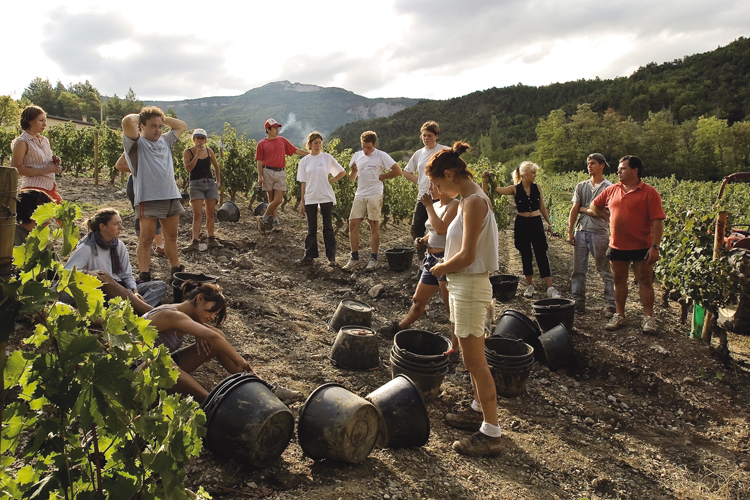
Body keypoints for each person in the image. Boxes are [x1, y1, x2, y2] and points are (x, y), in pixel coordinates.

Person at [428, 142, 502, 457]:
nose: (437, 189)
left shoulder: (473, 203)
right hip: (463, 285)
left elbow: (468, 255)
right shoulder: (468, 200)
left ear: (449, 174)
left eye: (438, 183)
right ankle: (476, 408)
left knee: (474, 361)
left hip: (470, 285)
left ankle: (491, 432)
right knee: (470, 357)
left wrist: (440, 266)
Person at [143, 282, 304, 405]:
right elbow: (212, 336)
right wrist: (240, 361)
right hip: (136, 371)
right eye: (211, 311)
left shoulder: (184, 316)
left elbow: (218, 336)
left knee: (214, 346)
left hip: (156, 366)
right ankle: (212, 405)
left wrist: (199, 328)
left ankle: (264, 389)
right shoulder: (172, 314)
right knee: (166, 365)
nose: (212, 317)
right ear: (199, 299)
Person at [590, 155, 665, 334]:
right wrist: (608, 218)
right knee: (618, 281)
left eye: (622, 168)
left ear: (635, 171)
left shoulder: (649, 192)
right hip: (617, 245)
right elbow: (594, 206)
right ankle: (620, 315)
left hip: (642, 246)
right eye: (619, 168)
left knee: (645, 281)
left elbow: (657, 221)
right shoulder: (612, 189)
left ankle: (648, 318)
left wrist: (655, 246)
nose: (618, 171)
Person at [381, 183, 459, 349]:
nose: (429, 189)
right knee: (418, 300)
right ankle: (400, 327)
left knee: (450, 307)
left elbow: (441, 229)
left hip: (444, 260)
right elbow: (432, 230)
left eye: (433, 186)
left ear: (442, 187)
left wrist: (428, 206)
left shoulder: (455, 205)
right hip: (430, 258)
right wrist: (423, 240)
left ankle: (455, 348)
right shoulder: (437, 205)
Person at [121, 106, 187, 283]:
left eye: (160, 127)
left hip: (171, 195)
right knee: (147, 238)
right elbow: (127, 121)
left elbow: (182, 125)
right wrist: (144, 115)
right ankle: (144, 274)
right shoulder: (135, 143)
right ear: (141, 126)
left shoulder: (165, 140)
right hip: (148, 198)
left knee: (171, 237)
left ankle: (175, 269)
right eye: (152, 126)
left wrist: (161, 119)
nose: (158, 130)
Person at [64, 208, 167, 316]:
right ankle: (138, 313)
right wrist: (91, 274)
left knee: (159, 286)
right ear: (102, 226)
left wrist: (134, 292)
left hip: (121, 288)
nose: (121, 228)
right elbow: (67, 272)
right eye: (116, 224)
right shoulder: (87, 247)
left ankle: (131, 312)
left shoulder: (119, 245)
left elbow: (126, 275)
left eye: (120, 223)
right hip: (101, 291)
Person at [482, 162, 561, 299]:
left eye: (535, 173)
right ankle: (529, 286)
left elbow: (542, 207)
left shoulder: (537, 188)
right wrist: (486, 181)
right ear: (525, 174)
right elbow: (494, 190)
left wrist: (549, 224)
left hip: (536, 223)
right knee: (526, 254)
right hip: (522, 224)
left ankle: (550, 287)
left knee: (541, 253)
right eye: (532, 173)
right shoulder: (514, 189)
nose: (535, 175)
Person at [343, 131, 403, 271]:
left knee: (373, 224)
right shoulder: (357, 156)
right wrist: (353, 172)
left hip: (375, 194)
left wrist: (382, 177)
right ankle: (354, 258)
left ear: (374, 144)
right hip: (360, 193)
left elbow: (398, 171)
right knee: (352, 223)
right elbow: (352, 178)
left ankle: (373, 258)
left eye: (368, 147)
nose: (365, 150)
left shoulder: (381, 155)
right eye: (363, 147)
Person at [567, 153, 615, 317]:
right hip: (581, 230)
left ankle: (610, 304)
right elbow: (575, 208)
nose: (589, 166)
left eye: (593, 163)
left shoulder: (609, 187)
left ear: (602, 165)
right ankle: (578, 302)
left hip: (599, 232)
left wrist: (585, 209)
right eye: (588, 163)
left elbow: (604, 212)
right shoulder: (581, 186)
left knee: (604, 269)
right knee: (578, 270)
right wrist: (570, 230)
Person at [296, 131, 347, 267]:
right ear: (310, 145)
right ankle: (309, 256)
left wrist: (332, 180)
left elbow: (342, 171)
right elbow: (303, 183)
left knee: (328, 227)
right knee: (312, 228)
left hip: (326, 196)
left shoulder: (327, 158)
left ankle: (331, 257)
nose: (318, 145)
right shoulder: (304, 161)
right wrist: (302, 201)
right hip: (310, 197)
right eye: (315, 143)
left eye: (320, 143)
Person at [402, 121, 448, 259]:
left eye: (429, 135)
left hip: (440, 196)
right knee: (416, 229)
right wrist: (420, 181)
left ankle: (442, 258)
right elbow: (407, 172)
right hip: (423, 196)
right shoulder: (418, 154)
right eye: (424, 135)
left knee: (439, 229)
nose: (426, 138)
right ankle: (423, 262)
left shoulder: (444, 151)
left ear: (436, 136)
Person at [256, 118, 308, 233]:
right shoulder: (261, 144)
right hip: (267, 171)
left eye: (277, 127)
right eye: (274, 128)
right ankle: (275, 221)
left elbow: (296, 151)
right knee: (271, 199)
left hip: (280, 172)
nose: (277, 130)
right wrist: (260, 176)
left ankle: (263, 219)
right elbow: (259, 161)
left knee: (278, 200)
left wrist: (311, 155)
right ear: (268, 129)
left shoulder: (282, 141)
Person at [116, 153, 165, 258]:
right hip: (137, 185)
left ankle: (160, 246)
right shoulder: (134, 147)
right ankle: (146, 246)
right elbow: (119, 165)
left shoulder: (155, 147)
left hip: (152, 185)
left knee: (154, 214)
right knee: (140, 214)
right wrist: (139, 172)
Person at [11, 105, 63, 203]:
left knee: (65, 216)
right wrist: (45, 170)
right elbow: (16, 169)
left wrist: (54, 162)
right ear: (29, 121)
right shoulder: (22, 142)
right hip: (34, 189)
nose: (45, 124)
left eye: (45, 121)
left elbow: (41, 162)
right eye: (41, 120)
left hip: (50, 187)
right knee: (53, 217)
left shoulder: (44, 140)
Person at [183, 128, 222, 252]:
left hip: (209, 183)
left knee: (210, 213)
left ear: (205, 140)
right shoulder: (188, 152)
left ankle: (211, 239)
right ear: (193, 139)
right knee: (197, 215)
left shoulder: (209, 151)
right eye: (197, 137)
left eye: (202, 138)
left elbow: (216, 166)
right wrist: (197, 156)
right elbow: (188, 169)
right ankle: (195, 241)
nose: (200, 140)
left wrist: (218, 181)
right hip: (195, 184)